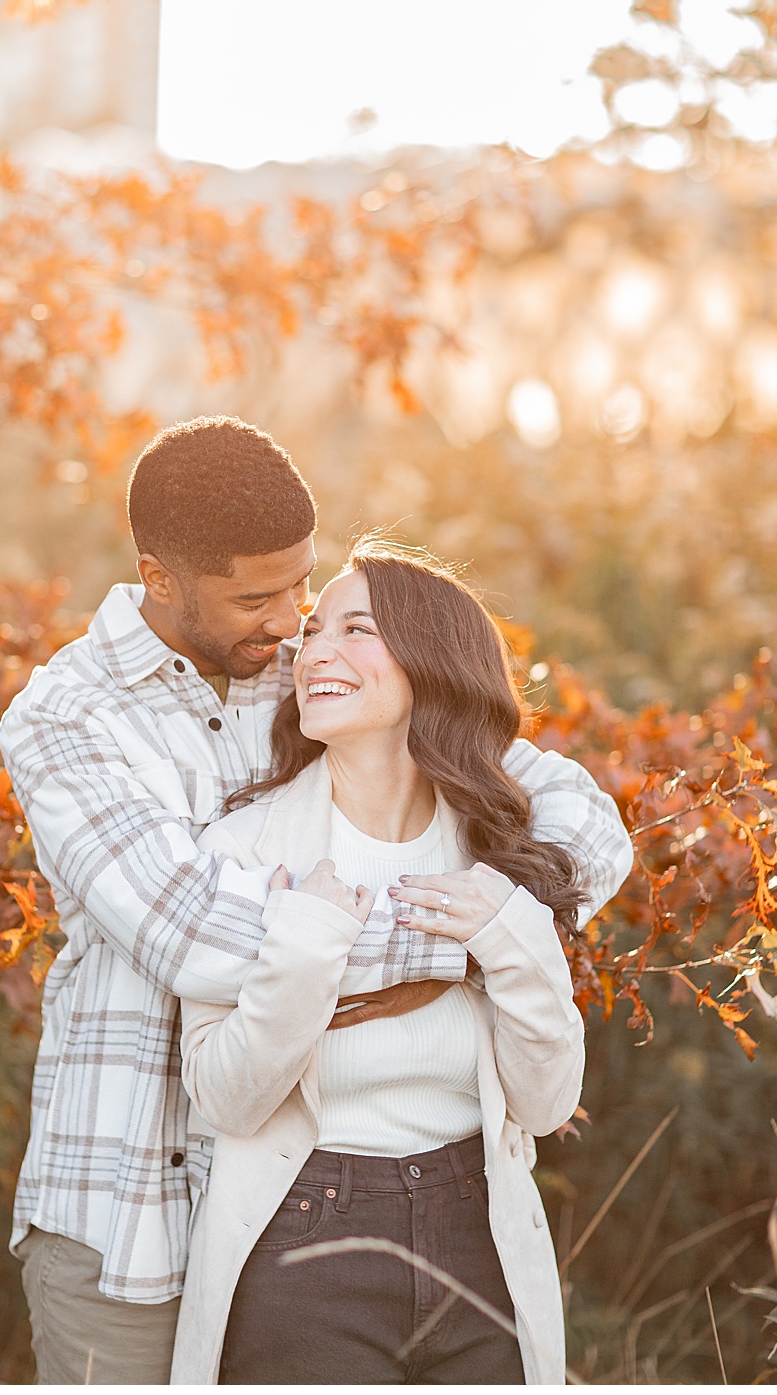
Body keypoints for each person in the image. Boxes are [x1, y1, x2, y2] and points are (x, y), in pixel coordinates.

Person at [0, 418, 632, 1384]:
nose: (293, 619)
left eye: (304, 583)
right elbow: (196, 931)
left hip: (283, 1197)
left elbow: (577, 821)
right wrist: (469, 936)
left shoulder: (307, 671)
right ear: (159, 577)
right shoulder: (67, 720)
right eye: (259, 596)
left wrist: (501, 912)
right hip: (127, 1200)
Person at [170, 539, 585, 1383]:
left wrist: (510, 933)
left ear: (430, 660)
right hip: (303, 1241)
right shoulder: (243, 848)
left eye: (355, 629)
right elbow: (227, 1096)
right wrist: (309, 941)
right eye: (314, 631)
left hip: (480, 1233)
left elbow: (546, 1104)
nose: (315, 649)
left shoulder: (496, 846)